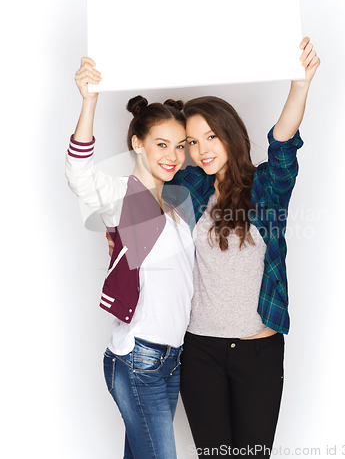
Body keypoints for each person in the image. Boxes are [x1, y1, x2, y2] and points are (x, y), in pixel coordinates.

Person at [108, 37, 320, 456]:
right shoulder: (188, 190)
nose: (201, 150)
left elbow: (282, 146)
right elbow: (147, 178)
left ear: (230, 135)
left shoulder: (265, 190)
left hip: (258, 351)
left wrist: (299, 86)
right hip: (200, 350)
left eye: (210, 138)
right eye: (191, 142)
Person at [65, 57, 196, 459]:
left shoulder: (178, 206)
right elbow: (80, 176)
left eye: (179, 146)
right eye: (161, 144)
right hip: (139, 358)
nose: (172, 156)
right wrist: (89, 102)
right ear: (137, 143)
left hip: (171, 359)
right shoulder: (124, 195)